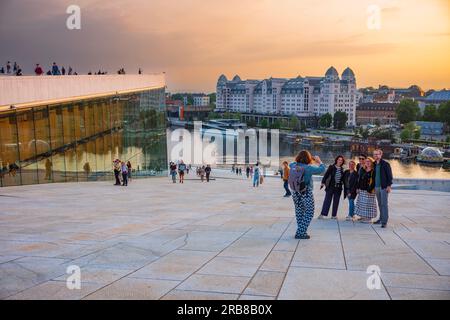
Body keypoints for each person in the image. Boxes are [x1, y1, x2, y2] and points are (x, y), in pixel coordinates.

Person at [289, 150, 326, 239]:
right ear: (308, 159)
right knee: (309, 212)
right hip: (306, 192)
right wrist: (319, 161)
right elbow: (322, 169)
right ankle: (300, 232)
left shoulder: (293, 165)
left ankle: (302, 231)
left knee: (299, 212)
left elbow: (291, 163)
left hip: (295, 192)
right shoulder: (308, 168)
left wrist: (299, 160)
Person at [319, 155, 345, 220]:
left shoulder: (342, 169)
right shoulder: (331, 167)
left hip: (338, 188)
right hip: (330, 186)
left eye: (341, 160)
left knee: (336, 202)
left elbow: (343, 179)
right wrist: (323, 182)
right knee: (327, 201)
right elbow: (326, 175)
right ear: (336, 160)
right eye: (339, 160)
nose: (340, 161)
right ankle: (322, 214)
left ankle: (334, 215)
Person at [373, 149, 393, 228]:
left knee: (384, 204)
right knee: (380, 204)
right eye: (375, 154)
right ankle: (381, 219)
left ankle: (384, 222)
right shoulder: (374, 164)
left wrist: (389, 186)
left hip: (384, 187)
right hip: (376, 187)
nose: (376, 156)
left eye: (378, 154)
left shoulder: (385, 164)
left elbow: (390, 176)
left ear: (381, 155)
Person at [354, 158, 377, 223]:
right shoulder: (362, 169)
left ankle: (369, 219)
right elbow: (359, 179)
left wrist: (369, 190)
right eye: (366, 161)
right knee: (362, 204)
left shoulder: (373, 171)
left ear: (371, 162)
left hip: (369, 190)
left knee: (368, 205)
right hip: (362, 189)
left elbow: (374, 182)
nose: (367, 162)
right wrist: (358, 188)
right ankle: (363, 216)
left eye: (369, 161)